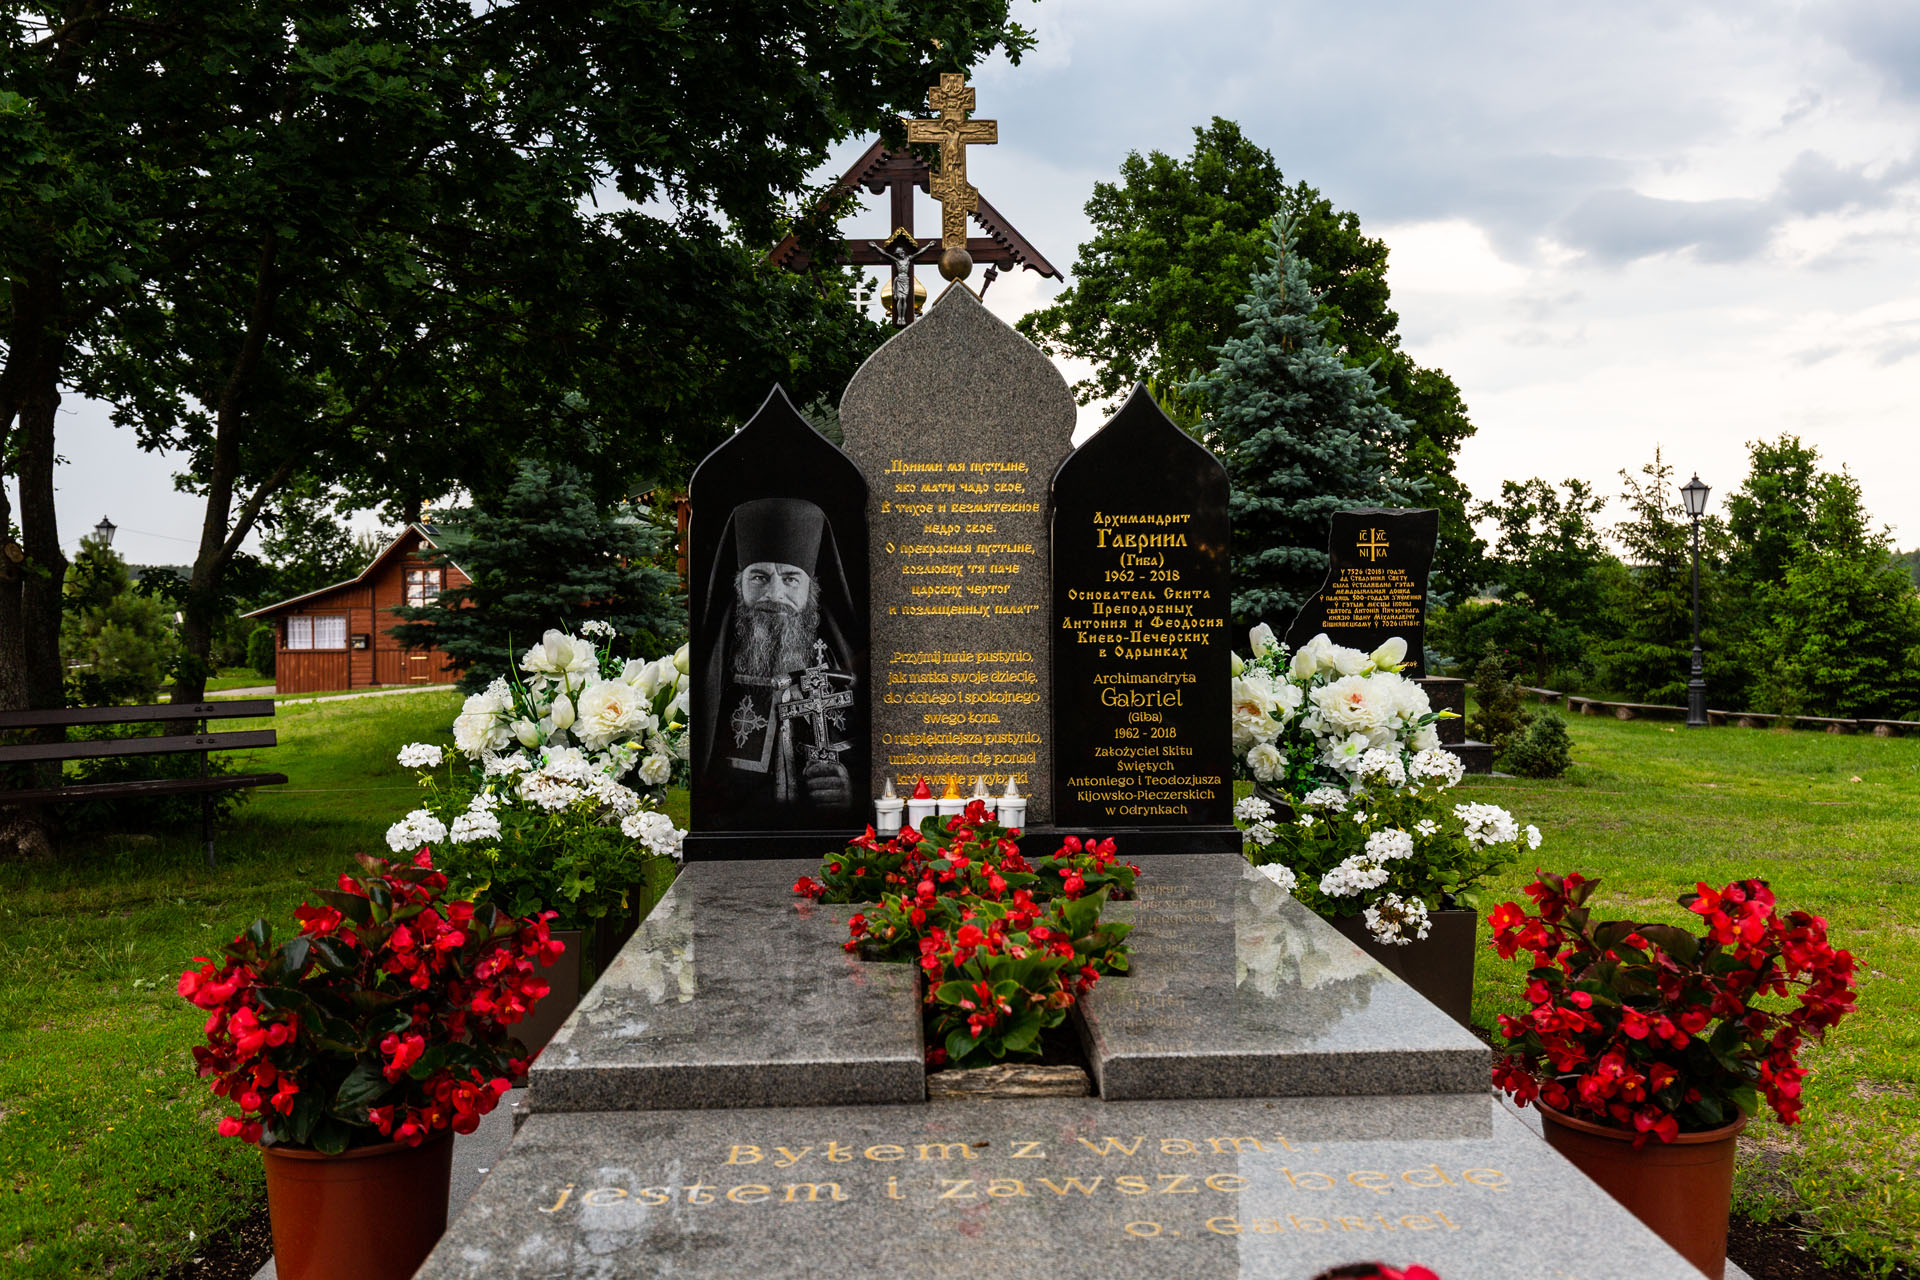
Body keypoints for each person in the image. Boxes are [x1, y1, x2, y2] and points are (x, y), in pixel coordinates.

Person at [693, 497, 864, 827]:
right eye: (759, 577)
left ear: (810, 588)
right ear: (739, 584)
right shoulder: (714, 662)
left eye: (790, 579)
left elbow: (867, 751)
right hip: (733, 828)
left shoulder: (837, 658)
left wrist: (847, 788)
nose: (774, 594)